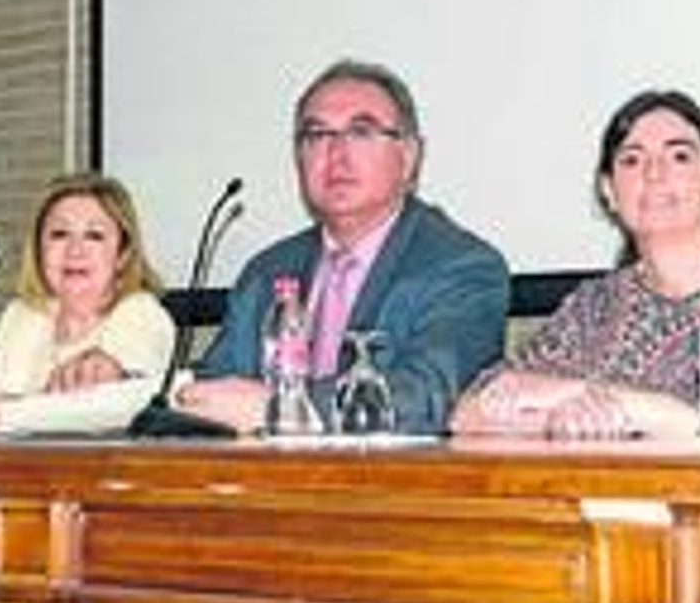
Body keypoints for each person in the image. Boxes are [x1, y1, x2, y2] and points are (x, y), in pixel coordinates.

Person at [451, 89, 700, 439]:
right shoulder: (596, 305)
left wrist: (594, 400)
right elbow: (469, 413)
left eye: (679, 156)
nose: (654, 172)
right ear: (609, 191)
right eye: (632, 160)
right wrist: (562, 420)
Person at [176, 59, 510, 435]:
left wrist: (282, 410)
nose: (337, 153)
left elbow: (427, 397)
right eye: (317, 135)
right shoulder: (267, 271)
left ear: (409, 156)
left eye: (361, 132)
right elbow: (218, 384)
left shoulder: (462, 266)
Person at [0, 172, 175, 433]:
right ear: (39, 249)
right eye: (60, 234)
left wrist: (10, 408)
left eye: (94, 235)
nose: (75, 250)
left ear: (122, 254)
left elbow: (105, 405)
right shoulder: (23, 315)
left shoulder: (142, 314)